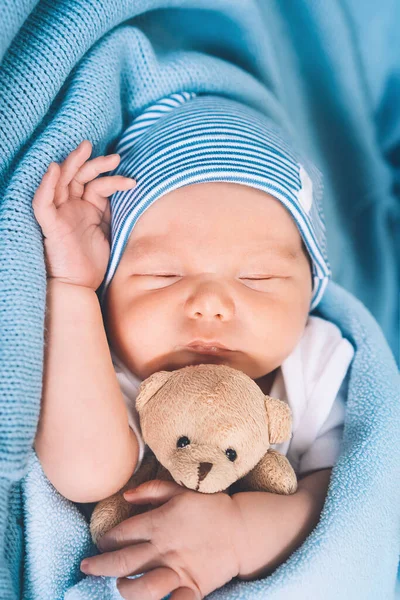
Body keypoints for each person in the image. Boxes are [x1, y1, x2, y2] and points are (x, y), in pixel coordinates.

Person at [31, 92, 354, 599]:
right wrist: (72, 290)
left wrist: (239, 534)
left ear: (309, 291)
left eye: (257, 276)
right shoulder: (111, 371)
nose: (209, 304)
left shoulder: (314, 365)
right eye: (163, 274)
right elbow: (86, 474)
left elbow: (349, 501)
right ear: (109, 292)